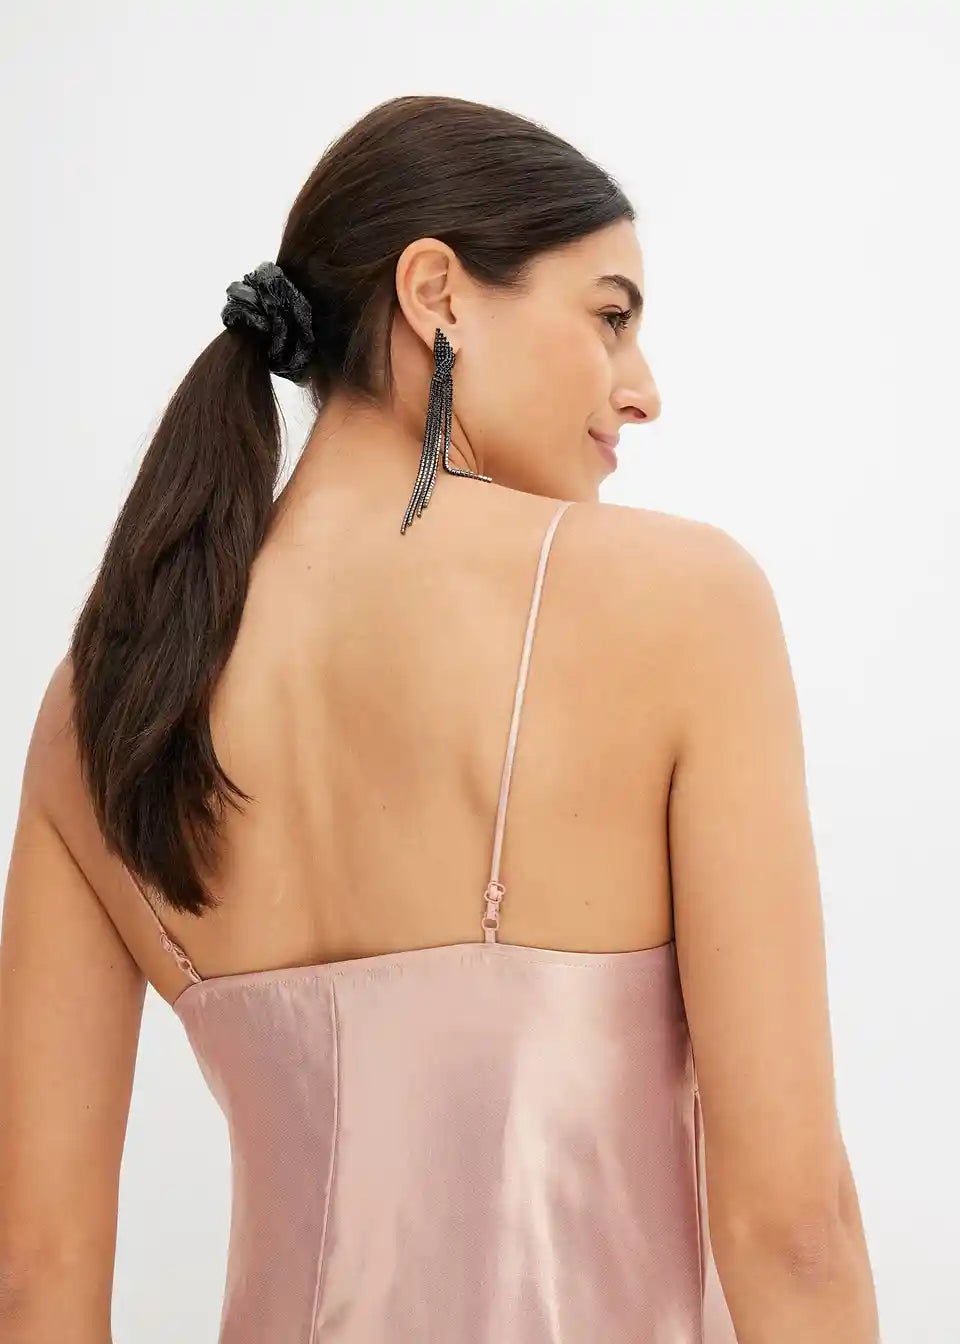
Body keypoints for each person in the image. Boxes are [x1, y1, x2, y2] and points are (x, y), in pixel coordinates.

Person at [0, 94, 879, 1342]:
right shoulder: (683, 604)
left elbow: (32, 1275)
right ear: (437, 295)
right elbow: (795, 1228)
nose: (642, 391)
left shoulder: (105, 699)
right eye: (612, 317)